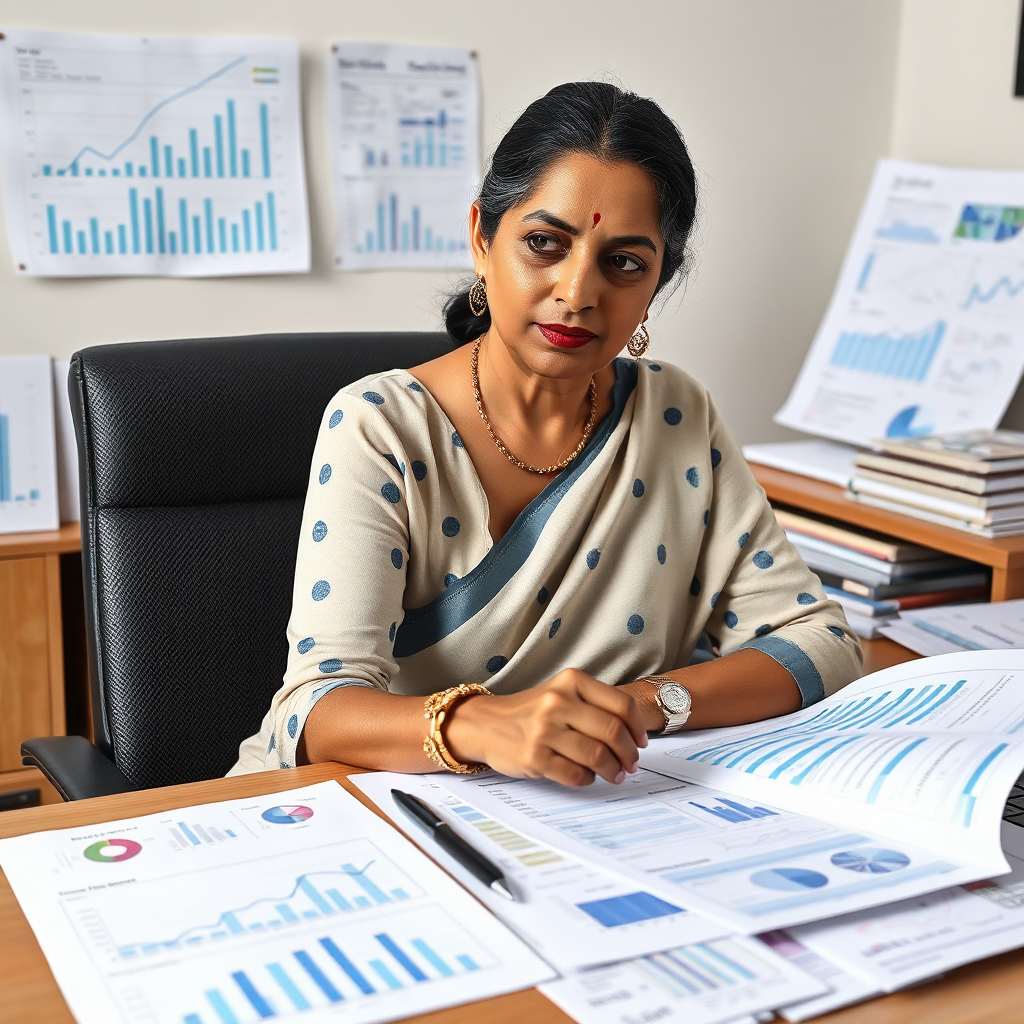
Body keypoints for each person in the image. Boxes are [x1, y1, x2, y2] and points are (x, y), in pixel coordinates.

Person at [231, 82, 861, 786]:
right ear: (481, 237)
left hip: (591, 812)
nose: (578, 291)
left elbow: (823, 643)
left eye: (624, 262)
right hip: (375, 806)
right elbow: (313, 711)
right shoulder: (381, 426)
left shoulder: (673, 414)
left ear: (656, 282)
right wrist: (483, 725)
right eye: (543, 243)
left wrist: (635, 709)